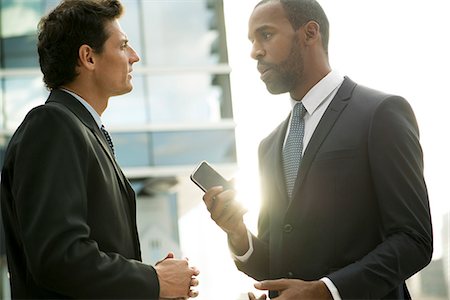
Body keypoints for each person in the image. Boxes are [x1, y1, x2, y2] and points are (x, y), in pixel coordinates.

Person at [201, 0, 433, 299]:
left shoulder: (380, 113)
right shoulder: (269, 146)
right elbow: (277, 267)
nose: (255, 51)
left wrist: (327, 291)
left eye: (266, 35)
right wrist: (237, 232)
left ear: (310, 33)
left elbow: (414, 240)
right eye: (252, 40)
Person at [0, 0, 199, 299]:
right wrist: (153, 280)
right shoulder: (52, 124)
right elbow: (59, 257)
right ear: (88, 57)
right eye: (123, 46)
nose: (135, 56)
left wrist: (155, 282)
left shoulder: (82, 130)